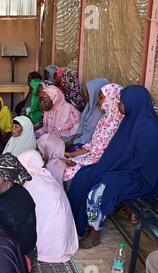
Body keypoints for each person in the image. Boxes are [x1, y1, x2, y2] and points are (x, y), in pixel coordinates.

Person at [68, 86, 158, 249]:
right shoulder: (131, 120)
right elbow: (117, 151)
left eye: (121, 101)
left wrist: (114, 167)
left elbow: (144, 162)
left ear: (133, 103)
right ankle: (77, 222)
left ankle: (95, 232)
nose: (118, 104)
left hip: (142, 177)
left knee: (101, 189)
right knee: (84, 175)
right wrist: (110, 165)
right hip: (126, 168)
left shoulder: (148, 127)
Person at [18, 150, 78, 263]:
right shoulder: (43, 173)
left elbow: (24, 205)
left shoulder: (32, 179)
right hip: (62, 230)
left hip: (52, 229)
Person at [64, 83, 124, 182]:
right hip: (92, 156)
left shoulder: (117, 124)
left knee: (71, 174)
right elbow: (94, 145)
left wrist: (78, 159)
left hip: (103, 162)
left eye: (101, 97)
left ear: (112, 99)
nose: (98, 101)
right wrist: (73, 155)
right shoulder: (105, 119)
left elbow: (101, 152)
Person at [0, 153, 37, 261]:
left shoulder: (1, 209)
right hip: (29, 252)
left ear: (7, 180)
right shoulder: (20, 191)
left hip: (16, 260)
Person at [66, 78, 109, 151]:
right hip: (81, 139)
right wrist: (74, 139)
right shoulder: (89, 106)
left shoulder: (100, 113)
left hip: (88, 144)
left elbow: (90, 137)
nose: (85, 95)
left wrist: (73, 142)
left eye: (88, 93)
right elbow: (81, 128)